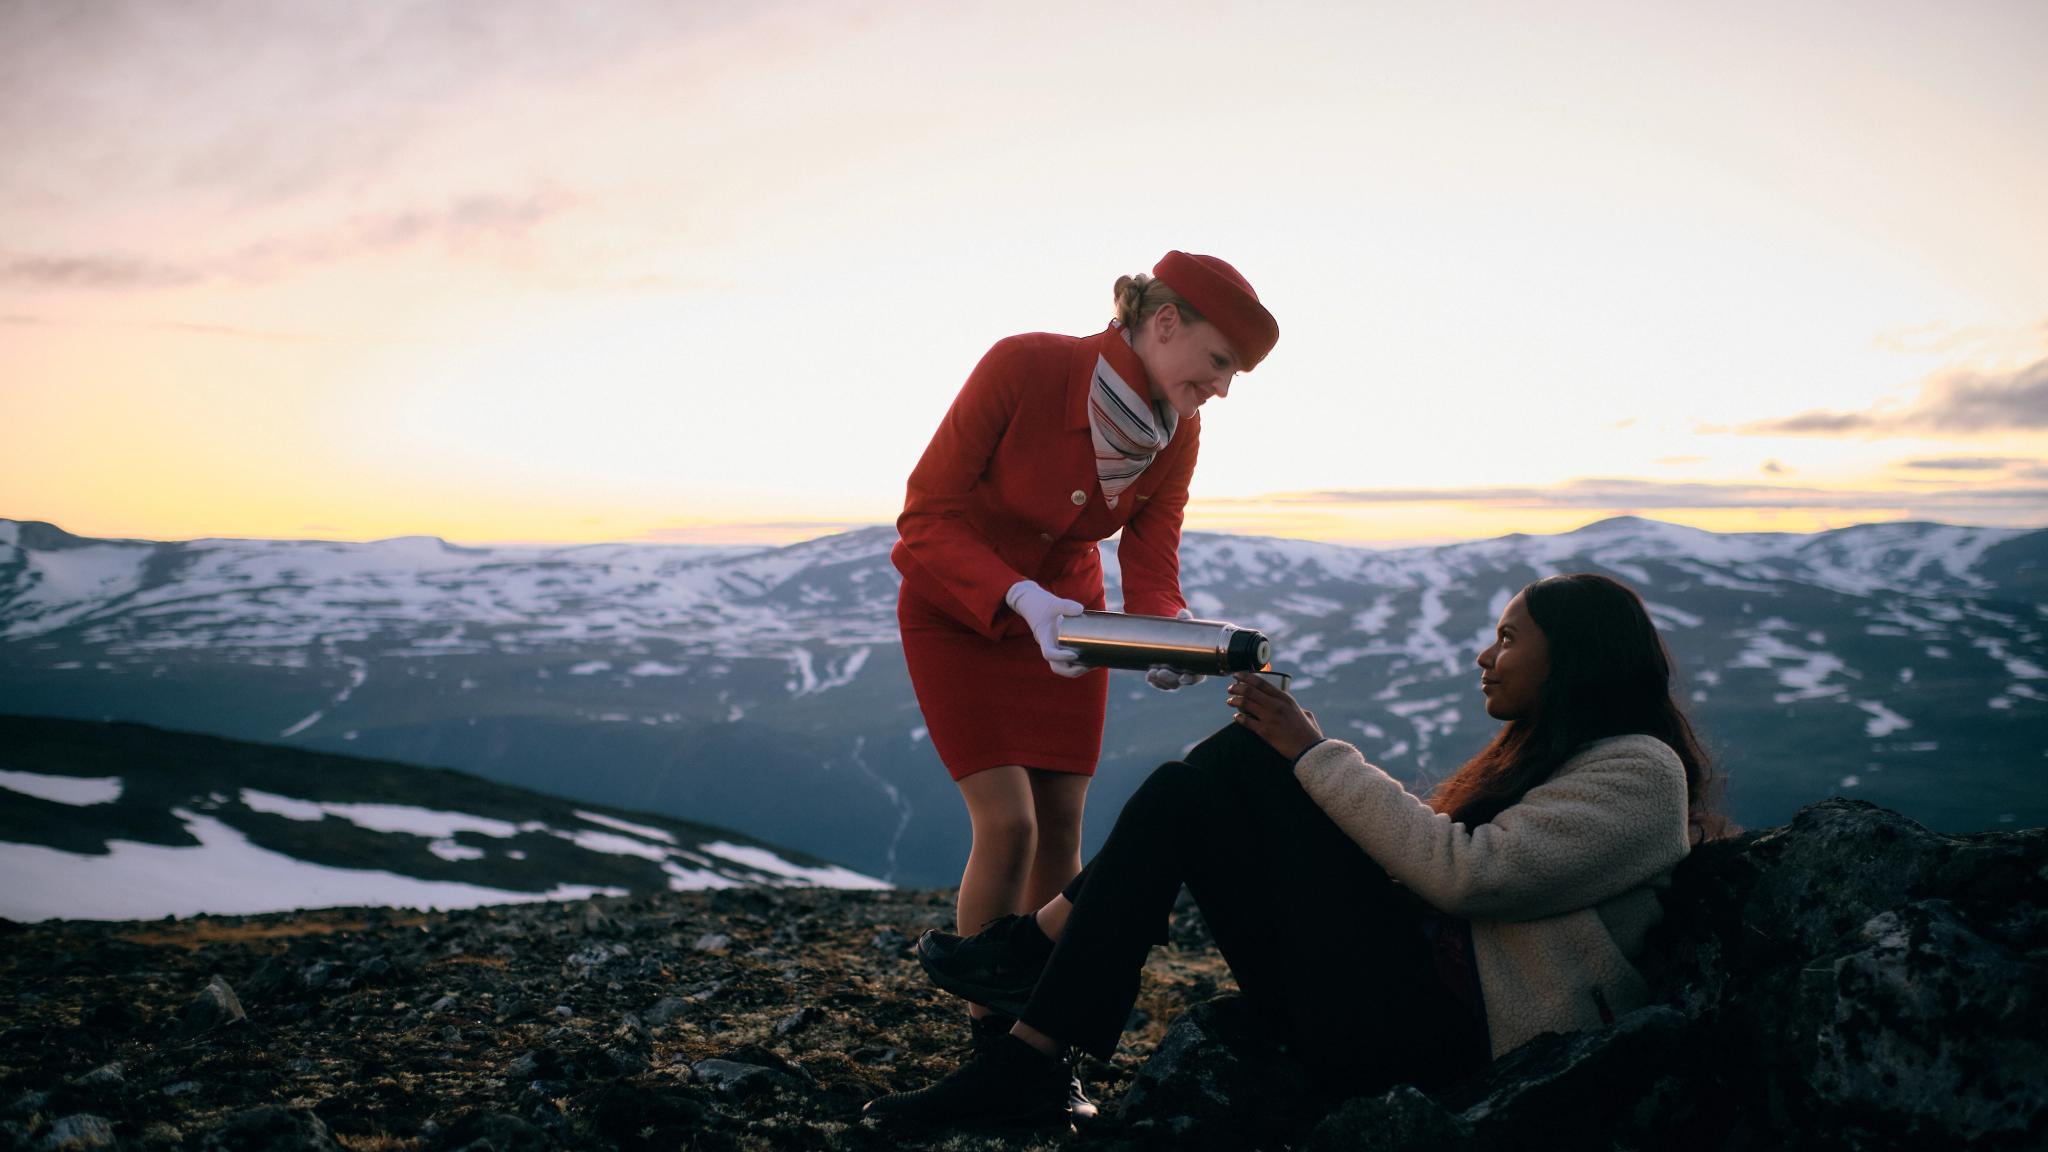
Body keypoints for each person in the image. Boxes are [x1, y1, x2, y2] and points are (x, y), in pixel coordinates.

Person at [866, 573, 1721, 1127]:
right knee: (1191, 788)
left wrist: (1313, 753)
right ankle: (1031, 1047)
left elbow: (1469, 875)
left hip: (1455, 1045)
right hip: (1401, 1004)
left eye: (1508, 638)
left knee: (1238, 762)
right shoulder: (1562, 754)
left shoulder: (1640, 773)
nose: (1484, 655)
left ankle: (1031, 974)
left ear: (1570, 658)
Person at [890, 251, 1280, 1114]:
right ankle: (995, 1050)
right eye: (1219, 363)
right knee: (1010, 821)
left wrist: (1164, 634)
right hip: (958, 612)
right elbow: (925, 513)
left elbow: (1152, 547)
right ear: (1167, 323)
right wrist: (1018, 598)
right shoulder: (1024, 366)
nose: (1221, 388)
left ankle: (1043, 1049)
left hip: (1071, 621)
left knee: (1063, 823)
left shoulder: (1176, 432)